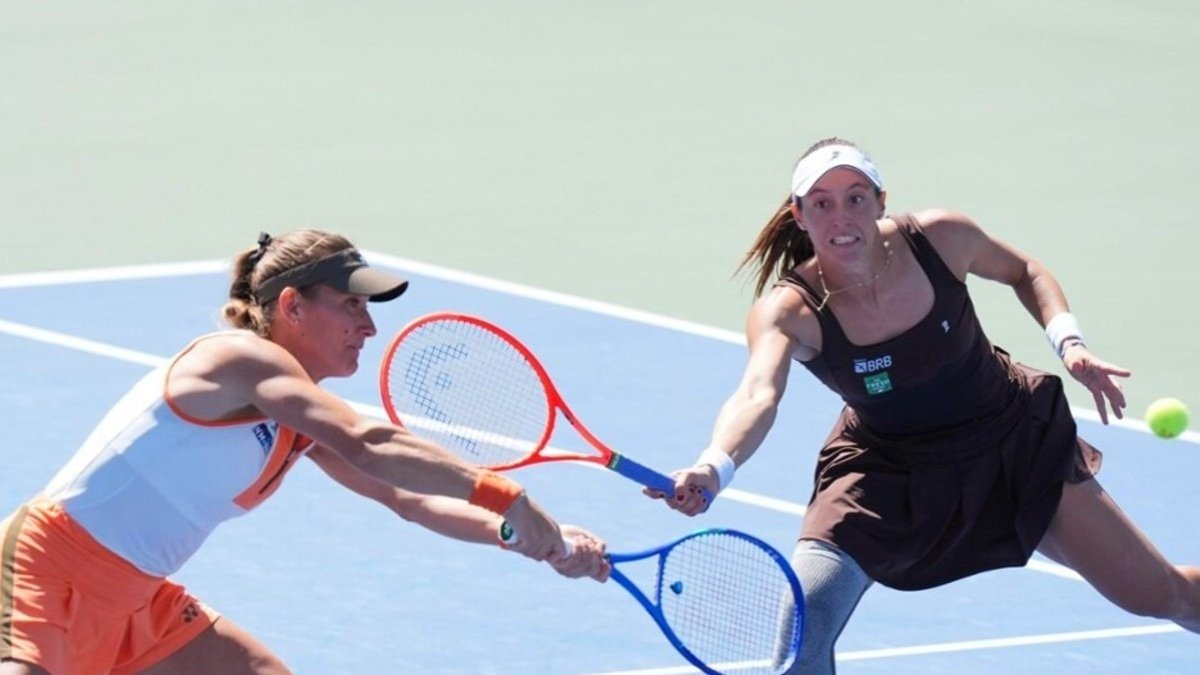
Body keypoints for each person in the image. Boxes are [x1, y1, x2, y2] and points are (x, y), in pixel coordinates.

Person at [650, 139, 1200, 672]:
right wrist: (714, 464)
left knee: (1160, 595)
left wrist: (1070, 343)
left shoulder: (940, 237)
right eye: (822, 203)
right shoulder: (790, 309)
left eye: (856, 198)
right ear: (799, 214)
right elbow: (757, 393)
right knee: (805, 620)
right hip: (885, 475)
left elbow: (1024, 271)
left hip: (1011, 445)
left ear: (881, 201)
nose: (842, 217)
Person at [0, 229, 610, 675]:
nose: (368, 327)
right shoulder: (239, 359)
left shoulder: (298, 417)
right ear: (291, 305)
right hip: (48, 574)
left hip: (138, 601)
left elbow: (407, 499)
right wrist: (512, 498)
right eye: (351, 304)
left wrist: (531, 539)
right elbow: (370, 444)